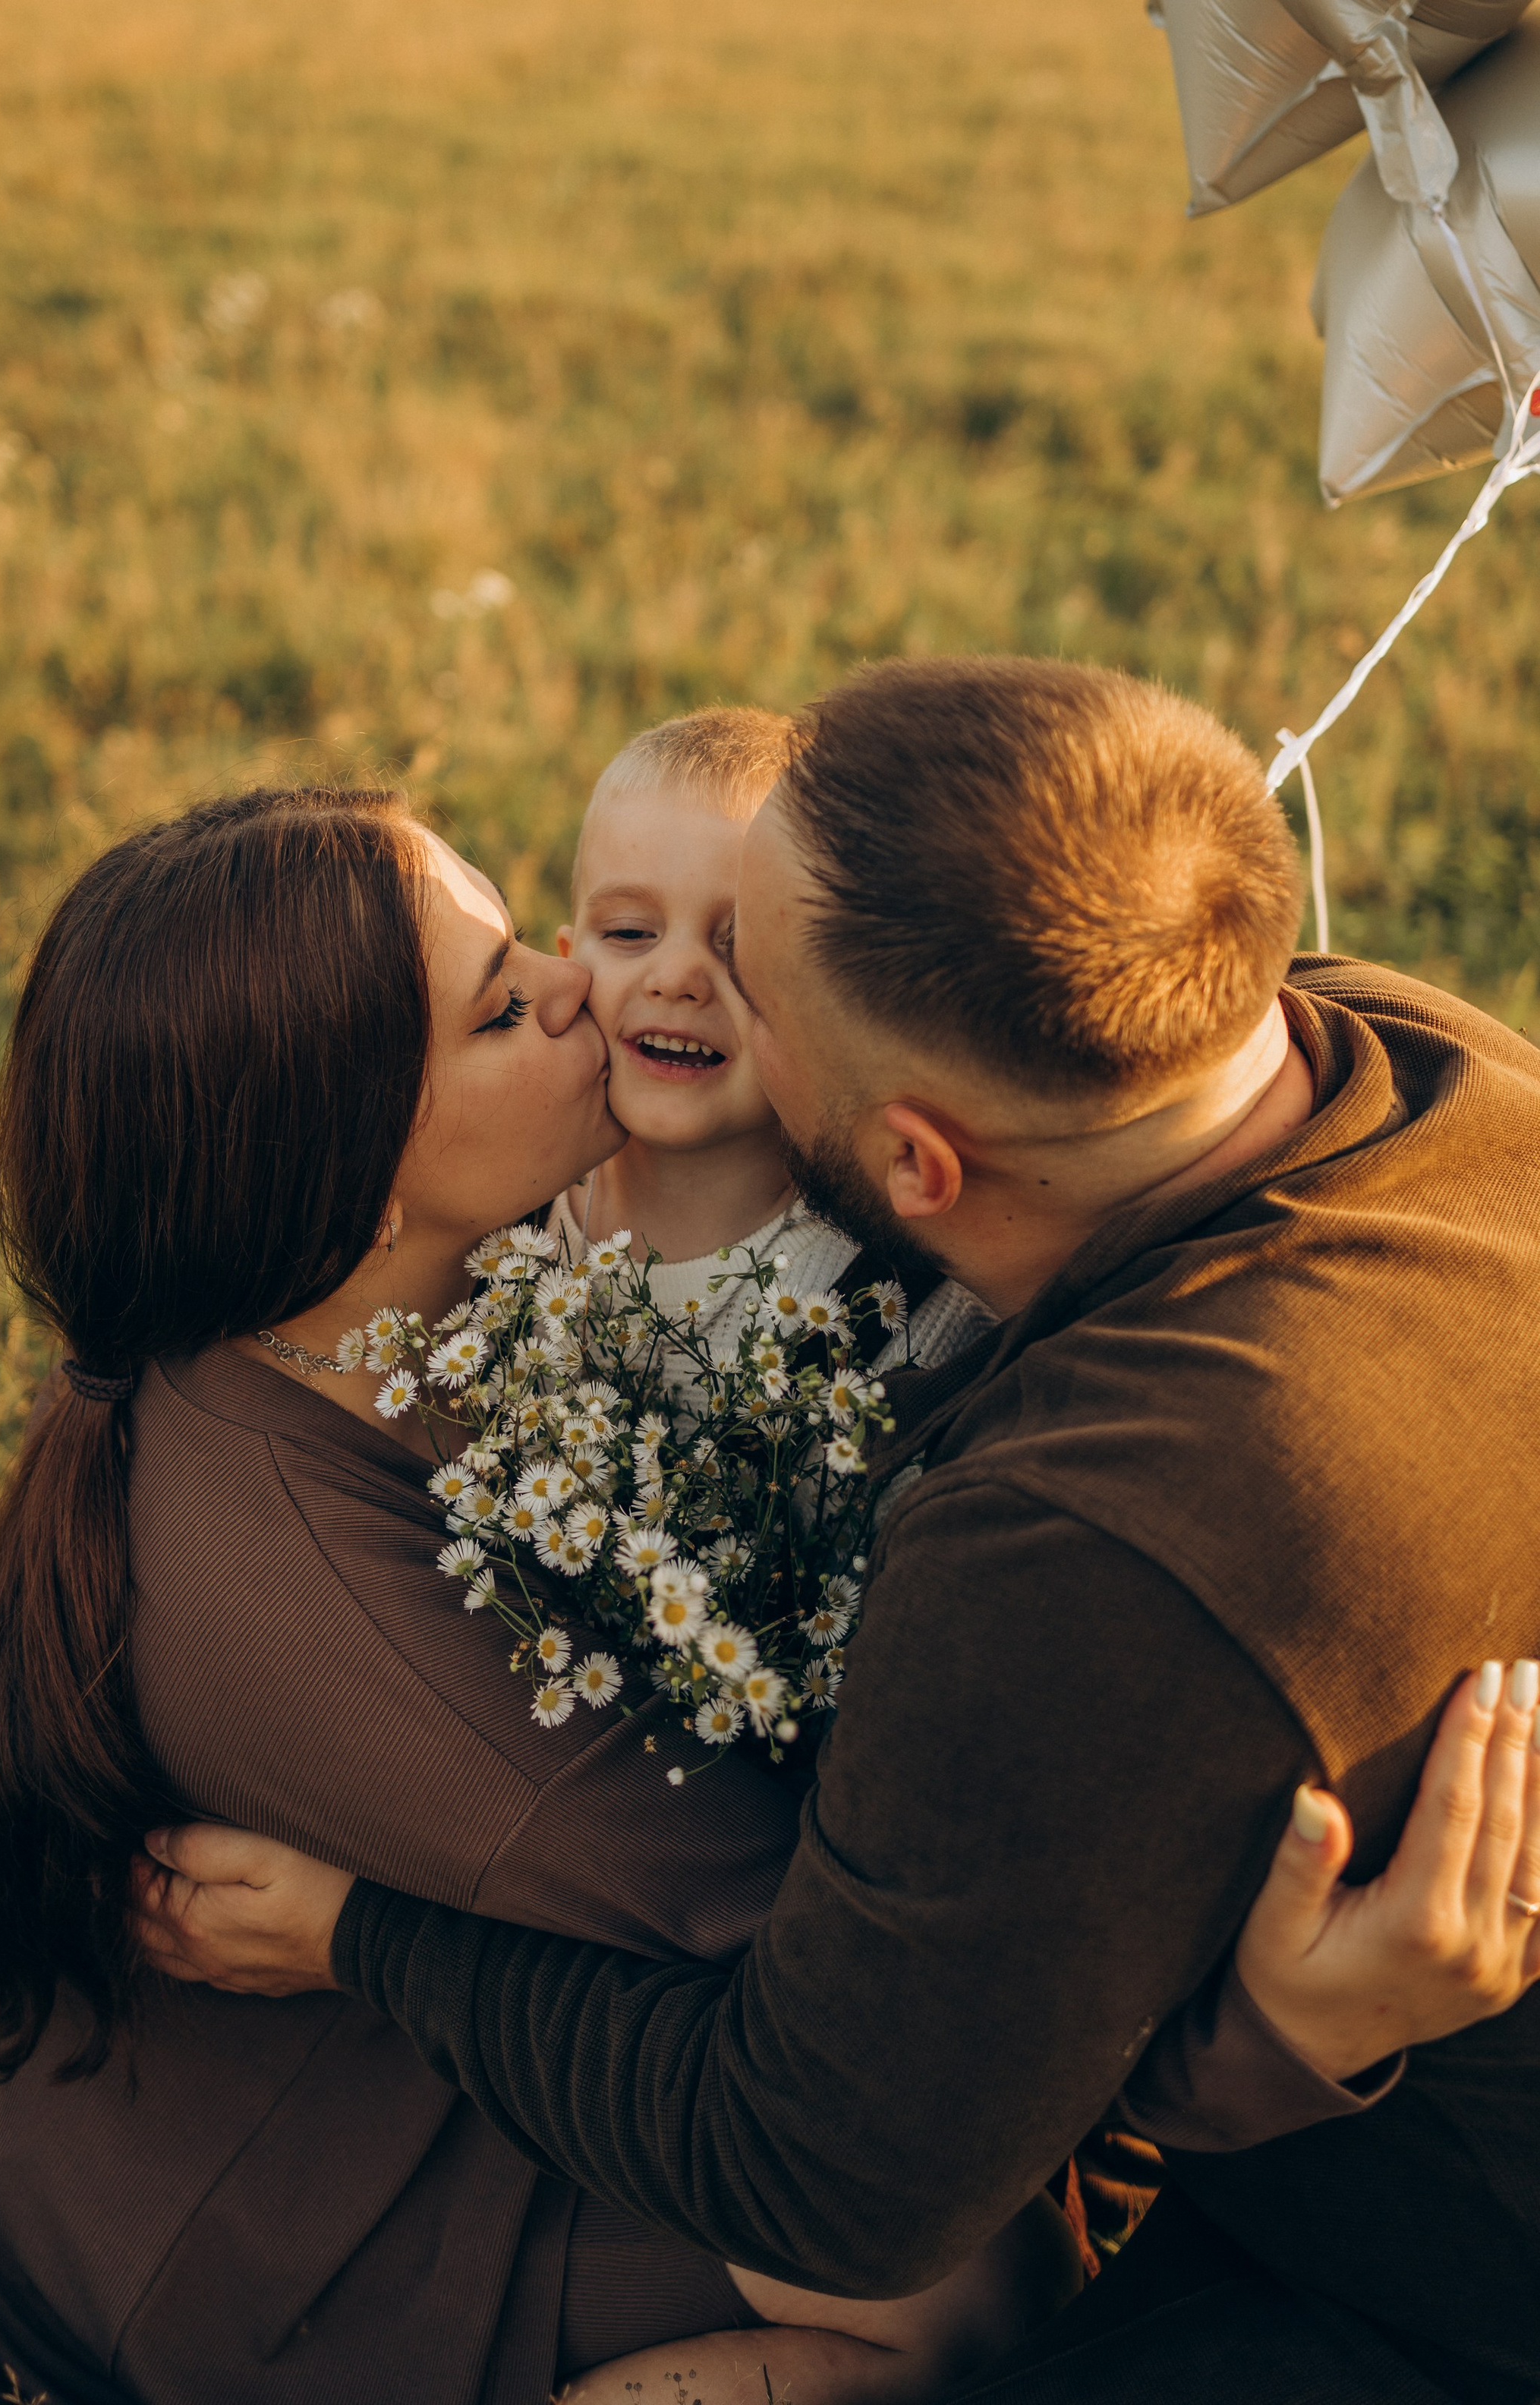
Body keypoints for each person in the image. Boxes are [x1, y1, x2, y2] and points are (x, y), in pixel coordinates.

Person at [128, 662, 1540, 2405]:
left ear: (911, 1165)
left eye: (761, 992)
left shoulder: (1077, 1531)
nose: (621, 995)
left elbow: (822, 2168)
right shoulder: (1406, 1055)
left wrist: (363, 1937)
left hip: (1436, 2288)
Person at [545, 703, 990, 1376]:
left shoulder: (892, 1314)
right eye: (631, 932)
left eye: (738, 945)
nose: (676, 978)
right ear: (568, 960)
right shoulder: (510, 1217)